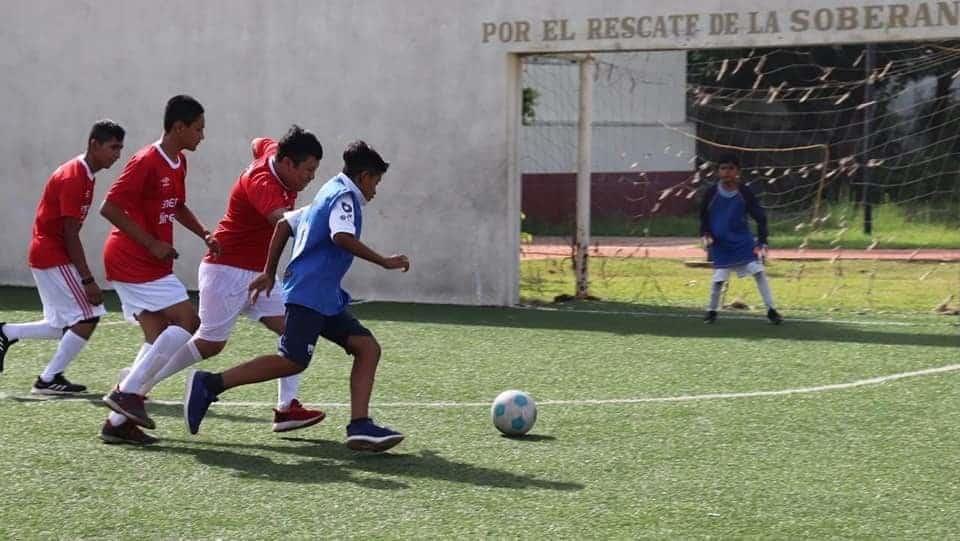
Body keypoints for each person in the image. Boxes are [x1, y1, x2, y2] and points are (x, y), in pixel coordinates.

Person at [184, 140, 410, 452]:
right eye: (376, 182)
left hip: (324, 297)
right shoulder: (345, 197)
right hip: (309, 294)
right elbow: (340, 236)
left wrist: (268, 270)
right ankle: (210, 384)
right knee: (292, 361)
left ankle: (360, 426)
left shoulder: (328, 191)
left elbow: (284, 224)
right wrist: (384, 261)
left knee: (367, 348)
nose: (375, 190)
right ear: (364, 177)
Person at [114, 126, 326, 435]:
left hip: (259, 274)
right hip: (226, 271)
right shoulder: (262, 183)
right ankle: (134, 389)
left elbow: (258, 140)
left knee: (295, 331)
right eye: (307, 170)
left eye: (314, 170)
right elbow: (283, 222)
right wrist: (326, 209)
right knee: (210, 344)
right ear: (288, 163)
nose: (311, 177)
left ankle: (287, 408)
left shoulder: (272, 153)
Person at [99, 95, 218, 445]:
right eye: (198, 129)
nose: (202, 136)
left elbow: (177, 205)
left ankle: (116, 423)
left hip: (148, 261)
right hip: (132, 258)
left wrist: (204, 233)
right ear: (178, 128)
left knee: (157, 338)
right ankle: (128, 393)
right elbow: (110, 207)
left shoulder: (178, 162)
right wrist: (151, 243)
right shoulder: (146, 160)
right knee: (189, 322)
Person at [0, 121, 125, 393]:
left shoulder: (86, 174)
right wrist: (87, 279)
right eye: (113, 147)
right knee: (88, 317)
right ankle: (47, 380)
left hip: (48, 253)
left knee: (64, 325)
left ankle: (7, 332)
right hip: (53, 253)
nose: (117, 154)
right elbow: (70, 232)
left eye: (120, 148)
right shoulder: (74, 176)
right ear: (94, 144)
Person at [699, 154, 783, 325]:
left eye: (731, 168)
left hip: (742, 242)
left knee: (758, 272)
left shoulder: (744, 192)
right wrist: (705, 233)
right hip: (721, 244)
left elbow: (760, 217)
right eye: (723, 168)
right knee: (719, 278)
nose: (727, 172)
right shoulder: (711, 193)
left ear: (738, 171)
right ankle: (711, 311)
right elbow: (703, 216)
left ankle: (771, 310)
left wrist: (762, 240)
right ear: (718, 171)